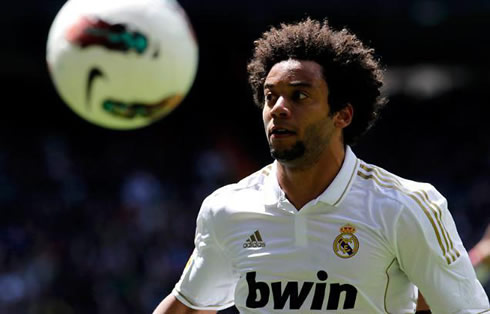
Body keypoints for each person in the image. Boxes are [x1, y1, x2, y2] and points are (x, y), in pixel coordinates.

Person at [153, 18, 489, 313]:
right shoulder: (226, 209)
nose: (278, 109)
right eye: (271, 96)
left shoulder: (406, 206)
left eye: (299, 96)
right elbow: (190, 308)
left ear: (343, 114)